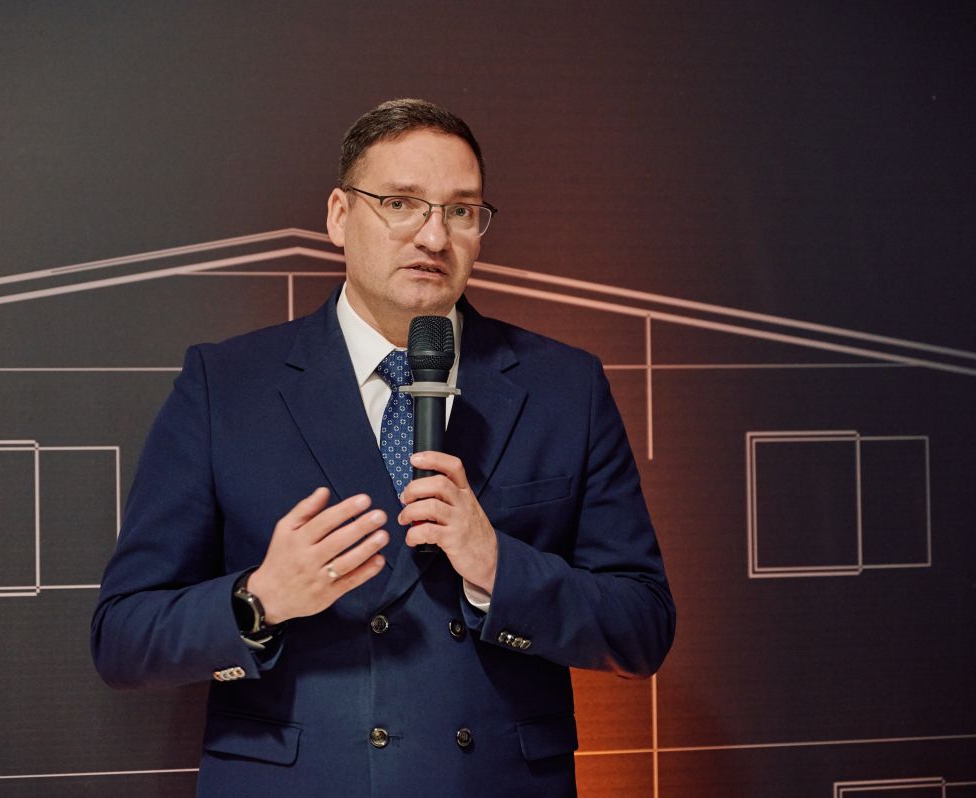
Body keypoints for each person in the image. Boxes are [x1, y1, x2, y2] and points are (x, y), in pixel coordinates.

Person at [91, 98, 675, 797]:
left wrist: (498, 568)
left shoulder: (564, 387)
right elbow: (123, 638)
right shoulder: (227, 386)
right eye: (401, 203)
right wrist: (260, 599)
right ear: (340, 216)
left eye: (461, 211)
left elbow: (642, 627)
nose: (434, 235)